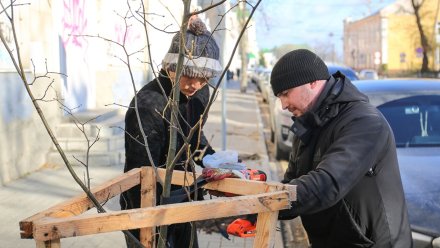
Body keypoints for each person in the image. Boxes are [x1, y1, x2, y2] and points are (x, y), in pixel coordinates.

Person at [270, 49, 412, 248]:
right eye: (278, 96)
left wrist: (266, 202)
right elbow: (292, 184)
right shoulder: (307, 123)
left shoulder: (364, 122)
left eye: (286, 93)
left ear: (312, 82)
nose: (283, 104)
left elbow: (327, 184)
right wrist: (256, 201)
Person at [120, 17, 222, 248]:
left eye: (204, 79)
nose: (195, 85)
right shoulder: (148, 105)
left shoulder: (199, 96)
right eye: (188, 75)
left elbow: (193, 139)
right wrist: (149, 223)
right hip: (145, 206)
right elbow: (141, 173)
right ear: (171, 67)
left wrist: (212, 161)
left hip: (183, 199)